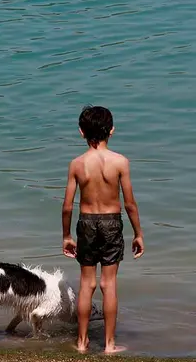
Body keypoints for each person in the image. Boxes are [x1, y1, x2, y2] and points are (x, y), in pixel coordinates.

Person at [61, 105, 145, 354]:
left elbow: (67, 206)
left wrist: (66, 235)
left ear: (81, 132)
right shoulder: (120, 162)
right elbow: (129, 203)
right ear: (112, 130)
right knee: (109, 284)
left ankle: (82, 342)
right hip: (111, 223)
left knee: (87, 285)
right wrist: (138, 233)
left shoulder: (77, 164)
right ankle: (109, 345)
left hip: (86, 222)